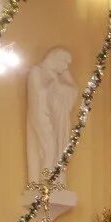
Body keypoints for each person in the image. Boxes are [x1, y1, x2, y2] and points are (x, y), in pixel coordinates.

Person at [26, 47, 77, 183]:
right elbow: (38, 95)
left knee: (57, 149)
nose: (66, 67)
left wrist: (60, 82)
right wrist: (53, 84)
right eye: (64, 63)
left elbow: (73, 90)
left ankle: (53, 181)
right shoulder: (36, 72)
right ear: (55, 60)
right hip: (40, 116)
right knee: (49, 147)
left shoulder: (55, 75)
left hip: (54, 118)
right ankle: (44, 181)